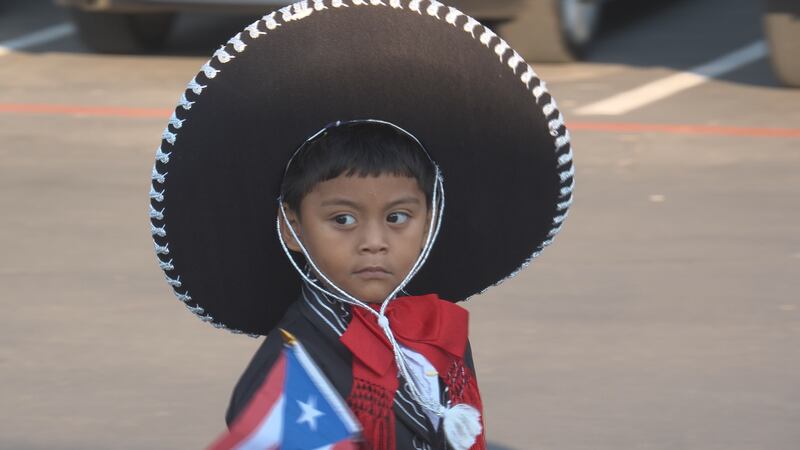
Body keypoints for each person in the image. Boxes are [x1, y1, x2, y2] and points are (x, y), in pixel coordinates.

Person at [148, 1, 575, 449]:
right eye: (343, 219)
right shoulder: (295, 378)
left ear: (430, 220)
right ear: (292, 227)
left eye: (397, 218)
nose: (374, 242)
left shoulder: (433, 335)